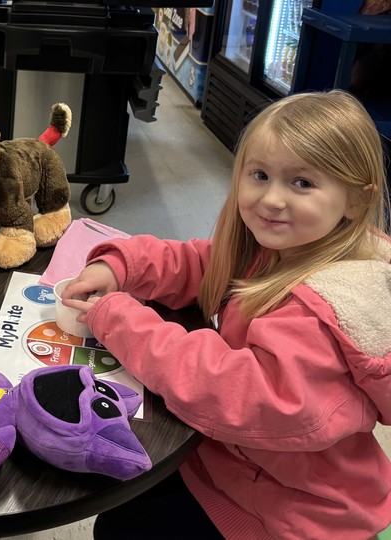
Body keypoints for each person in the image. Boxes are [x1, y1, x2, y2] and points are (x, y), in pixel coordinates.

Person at [59, 90, 391, 538]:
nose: (272, 199)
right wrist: (121, 265)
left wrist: (120, 319)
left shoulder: (329, 306)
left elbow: (236, 391)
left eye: (302, 183)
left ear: (355, 200)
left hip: (291, 510)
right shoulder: (277, 247)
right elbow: (197, 262)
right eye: (259, 175)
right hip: (232, 463)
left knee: (121, 527)